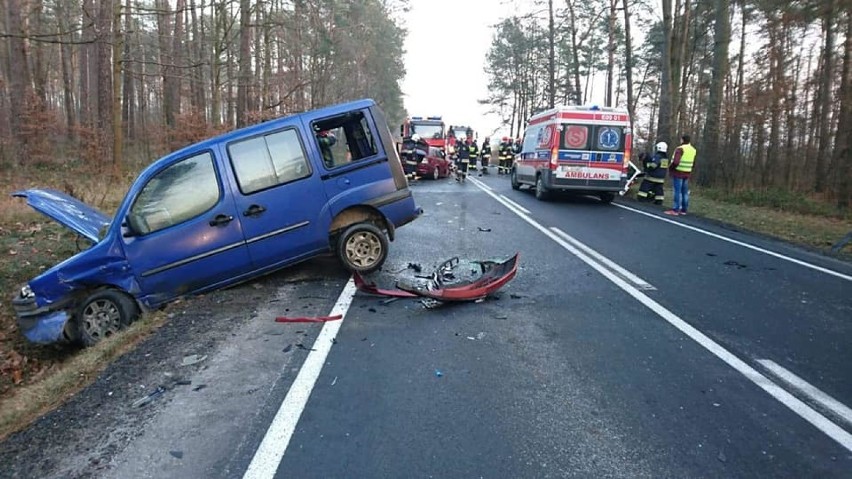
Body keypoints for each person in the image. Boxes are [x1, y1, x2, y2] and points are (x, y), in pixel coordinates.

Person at [665, 134, 697, 216]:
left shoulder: (680, 149)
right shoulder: (693, 150)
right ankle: (684, 209)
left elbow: (676, 162)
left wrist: (671, 168)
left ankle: (675, 209)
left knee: (677, 191)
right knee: (684, 192)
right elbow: (693, 162)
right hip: (687, 172)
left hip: (678, 172)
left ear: (682, 140)